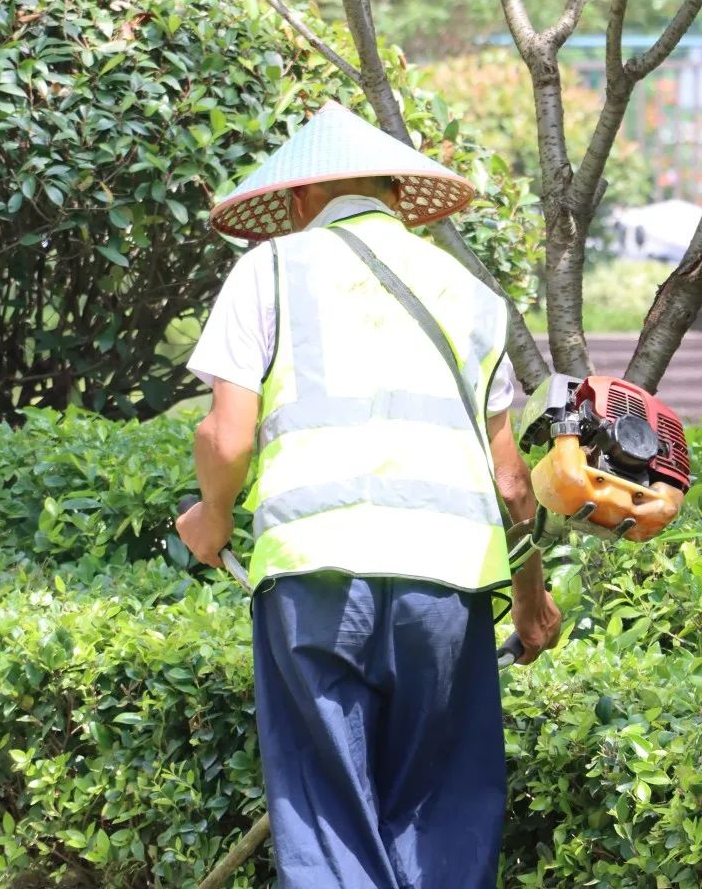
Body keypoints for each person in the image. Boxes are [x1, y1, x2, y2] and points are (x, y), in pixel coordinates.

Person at [176, 101, 561, 888]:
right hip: (447, 590)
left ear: (298, 199)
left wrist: (209, 521)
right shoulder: (472, 296)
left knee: (329, 817)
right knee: (443, 814)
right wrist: (529, 596)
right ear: (395, 192)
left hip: (314, 582)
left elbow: (226, 436)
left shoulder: (270, 269)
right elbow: (513, 482)